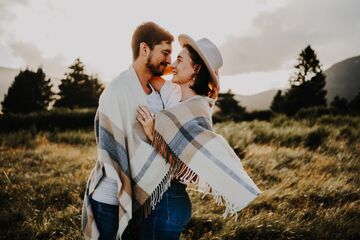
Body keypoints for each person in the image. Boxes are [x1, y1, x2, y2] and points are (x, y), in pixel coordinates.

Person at [136, 34, 261, 234]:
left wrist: (153, 135)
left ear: (196, 69)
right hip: (155, 198)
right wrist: (174, 67)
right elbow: (147, 74)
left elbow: (187, 169)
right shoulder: (173, 94)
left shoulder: (197, 109)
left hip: (169, 200)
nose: (173, 63)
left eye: (180, 59)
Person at [81, 21, 181, 240]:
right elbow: (109, 145)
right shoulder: (118, 90)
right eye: (165, 53)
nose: (168, 60)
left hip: (144, 196)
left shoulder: (158, 92)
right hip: (111, 198)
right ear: (144, 48)